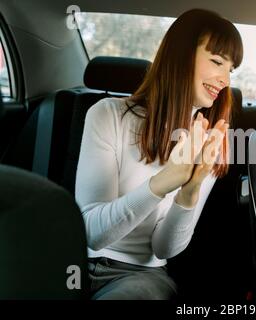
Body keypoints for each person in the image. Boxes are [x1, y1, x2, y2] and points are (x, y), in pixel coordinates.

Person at [75, 8, 243, 300]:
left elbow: (164, 249)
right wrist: (162, 182)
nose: (224, 80)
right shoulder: (108, 115)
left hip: (142, 276)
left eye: (230, 70)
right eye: (216, 61)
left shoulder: (210, 143)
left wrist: (188, 192)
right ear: (179, 56)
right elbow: (92, 234)